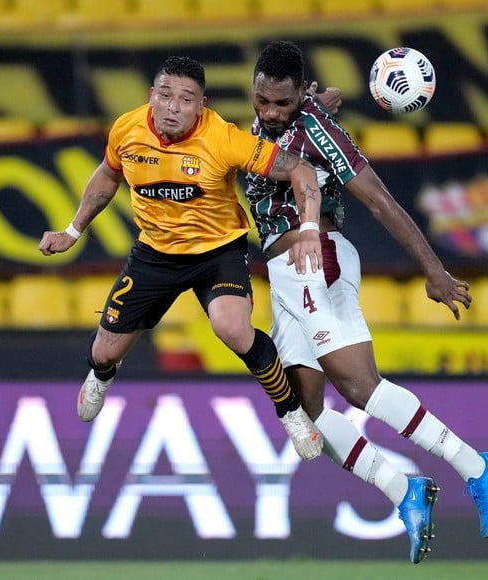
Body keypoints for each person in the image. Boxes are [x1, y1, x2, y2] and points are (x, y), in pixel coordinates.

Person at [245, 40, 488, 563]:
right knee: (303, 409)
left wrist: (432, 269)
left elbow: (381, 202)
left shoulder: (322, 134)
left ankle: (477, 466)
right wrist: (318, 100)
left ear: (299, 94)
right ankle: (402, 490)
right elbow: (306, 111)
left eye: (281, 103)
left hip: (314, 258)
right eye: (261, 101)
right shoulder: (291, 115)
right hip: (282, 275)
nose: (269, 113)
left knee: (360, 386)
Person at [38, 55, 327, 461]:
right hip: (155, 253)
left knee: (232, 328)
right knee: (103, 353)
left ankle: (292, 413)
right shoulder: (127, 129)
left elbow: (300, 171)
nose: (174, 107)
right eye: (165, 95)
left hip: (217, 252)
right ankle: (103, 375)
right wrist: (72, 230)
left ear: (202, 104)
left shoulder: (223, 139)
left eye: (186, 99)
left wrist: (310, 229)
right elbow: (108, 174)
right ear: (151, 96)